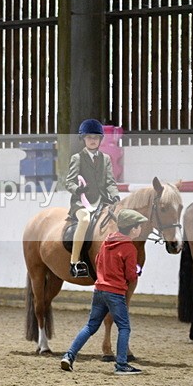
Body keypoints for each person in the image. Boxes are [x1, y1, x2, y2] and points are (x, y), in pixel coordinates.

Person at [60, 208, 148, 375]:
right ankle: (121, 364)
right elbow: (131, 276)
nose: (140, 230)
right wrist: (137, 270)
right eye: (139, 226)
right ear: (132, 229)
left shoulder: (107, 241)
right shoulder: (129, 248)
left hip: (99, 290)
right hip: (115, 293)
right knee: (124, 327)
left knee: (90, 326)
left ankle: (69, 356)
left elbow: (97, 260)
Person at [65, 118, 121, 278]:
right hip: (82, 202)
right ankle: (75, 262)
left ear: (100, 139)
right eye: (89, 137)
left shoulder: (106, 159)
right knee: (84, 221)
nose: (92, 140)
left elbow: (110, 181)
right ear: (83, 139)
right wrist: (78, 189)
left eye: (96, 137)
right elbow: (69, 182)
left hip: (102, 202)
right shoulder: (77, 158)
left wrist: (115, 195)